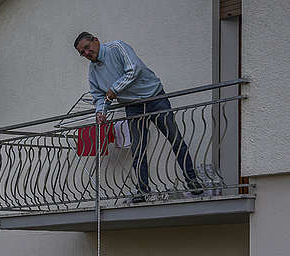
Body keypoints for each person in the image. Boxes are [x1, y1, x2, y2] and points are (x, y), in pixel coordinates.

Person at [74, 31, 203, 202]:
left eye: (87, 48)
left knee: (175, 139)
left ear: (96, 41)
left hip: (155, 98)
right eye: (82, 53)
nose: (86, 54)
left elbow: (134, 69)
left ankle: (192, 181)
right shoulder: (93, 71)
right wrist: (101, 113)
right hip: (133, 106)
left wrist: (114, 89)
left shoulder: (117, 47)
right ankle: (143, 190)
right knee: (138, 148)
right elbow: (99, 96)